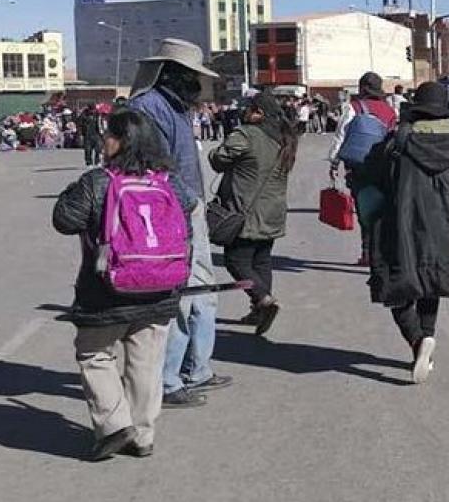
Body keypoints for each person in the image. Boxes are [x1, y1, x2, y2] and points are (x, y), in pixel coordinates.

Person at [52, 108, 195, 460]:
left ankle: (115, 425)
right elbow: (186, 228)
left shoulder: (98, 180)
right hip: (161, 288)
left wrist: (76, 187)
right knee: (146, 362)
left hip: (107, 291)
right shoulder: (170, 182)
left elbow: (63, 219)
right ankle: (143, 435)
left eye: (109, 135)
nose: (104, 141)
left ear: (121, 140)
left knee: (94, 353)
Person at [129, 38, 228, 408]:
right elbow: (154, 169)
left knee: (203, 293)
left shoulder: (179, 107)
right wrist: (186, 206)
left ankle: (197, 368)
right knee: (181, 298)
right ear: (169, 73)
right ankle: (168, 381)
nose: (195, 83)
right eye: (189, 75)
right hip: (169, 214)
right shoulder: (148, 108)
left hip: (191, 210)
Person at [368, 82, 449, 384]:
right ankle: (427, 338)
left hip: (403, 219)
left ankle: (416, 339)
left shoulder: (401, 139)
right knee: (431, 280)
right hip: (444, 220)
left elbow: (378, 174)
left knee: (397, 283)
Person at [208, 94, 297, 336]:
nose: (244, 112)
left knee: (235, 260)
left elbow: (218, 159)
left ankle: (263, 299)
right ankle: (260, 308)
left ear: (258, 112)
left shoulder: (247, 134)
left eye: (248, 109)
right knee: (261, 260)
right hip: (272, 212)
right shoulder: (284, 137)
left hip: (246, 211)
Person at [329, 72, 399, 266]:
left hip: (359, 166)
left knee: (364, 210)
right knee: (382, 209)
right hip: (384, 166)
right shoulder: (389, 110)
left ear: (361, 88)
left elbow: (340, 135)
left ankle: (367, 252)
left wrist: (334, 162)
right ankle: (381, 251)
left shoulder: (353, 107)